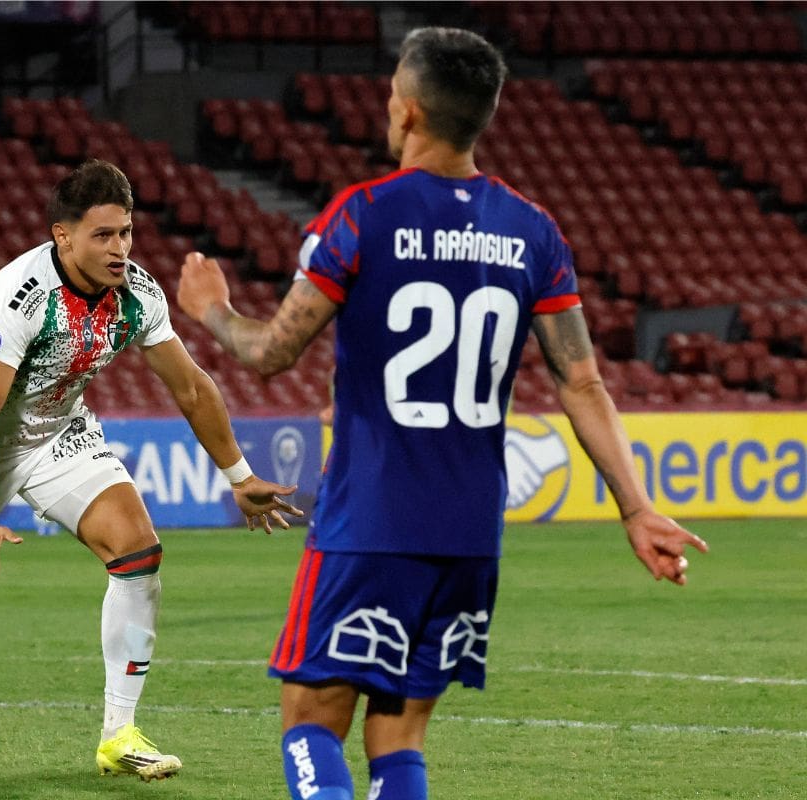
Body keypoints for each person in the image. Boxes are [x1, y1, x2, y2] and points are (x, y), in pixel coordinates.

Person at [177, 27, 709, 800]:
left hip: (371, 520)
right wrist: (637, 507)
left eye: (394, 90)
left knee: (309, 719)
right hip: (469, 533)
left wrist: (215, 311)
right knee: (398, 732)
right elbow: (583, 383)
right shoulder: (533, 231)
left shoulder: (362, 214)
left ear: (411, 111)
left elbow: (270, 353)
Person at [0, 159, 301, 780]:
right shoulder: (19, 297)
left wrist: (240, 475)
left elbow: (190, 387)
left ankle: (120, 732)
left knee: (139, 553)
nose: (120, 249)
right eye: (104, 236)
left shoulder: (137, 293)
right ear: (64, 237)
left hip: (57, 433)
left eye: (128, 233)